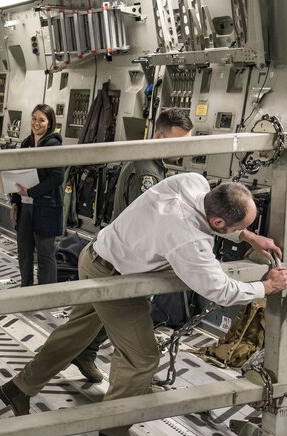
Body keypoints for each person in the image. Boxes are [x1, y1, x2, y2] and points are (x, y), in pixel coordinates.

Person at [0, 174, 287, 436]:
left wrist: (247, 235)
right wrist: (266, 286)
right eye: (242, 225)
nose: (245, 230)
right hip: (115, 282)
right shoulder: (187, 239)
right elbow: (221, 290)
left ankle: (19, 388)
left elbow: (210, 229)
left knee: (77, 333)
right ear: (218, 223)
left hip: (94, 255)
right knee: (141, 359)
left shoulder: (192, 182)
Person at [72, 108, 195, 383]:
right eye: (177, 142)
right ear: (159, 135)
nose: (183, 149)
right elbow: (150, 220)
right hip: (127, 258)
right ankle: (123, 373)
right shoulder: (146, 172)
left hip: (121, 253)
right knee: (123, 318)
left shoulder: (151, 164)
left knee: (92, 317)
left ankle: (81, 355)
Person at [11, 105, 64, 286]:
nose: (36, 123)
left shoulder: (54, 145)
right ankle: (26, 289)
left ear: (49, 124)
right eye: (34, 118)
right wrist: (15, 202)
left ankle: (46, 293)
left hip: (46, 207)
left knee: (45, 253)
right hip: (25, 205)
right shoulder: (26, 143)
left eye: (41, 120)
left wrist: (32, 192)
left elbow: (57, 177)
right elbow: (18, 173)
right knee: (24, 251)